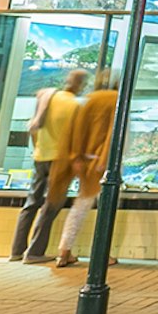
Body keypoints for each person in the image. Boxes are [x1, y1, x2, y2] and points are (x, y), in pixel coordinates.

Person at [11, 68, 87, 262]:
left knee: (32, 202)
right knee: (51, 205)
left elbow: (33, 128)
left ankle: (17, 250)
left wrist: (37, 149)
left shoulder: (49, 97)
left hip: (40, 157)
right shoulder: (75, 106)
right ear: (81, 85)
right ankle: (35, 252)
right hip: (60, 161)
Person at [48, 67, 119, 268]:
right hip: (104, 163)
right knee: (106, 210)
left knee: (80, 207)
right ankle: (101, 254)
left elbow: (75, 130)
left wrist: (75, 157)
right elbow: (115, 133)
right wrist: (106, 160)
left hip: (85, 160)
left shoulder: (88, 99)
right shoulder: (115, 100)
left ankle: (64, 251)